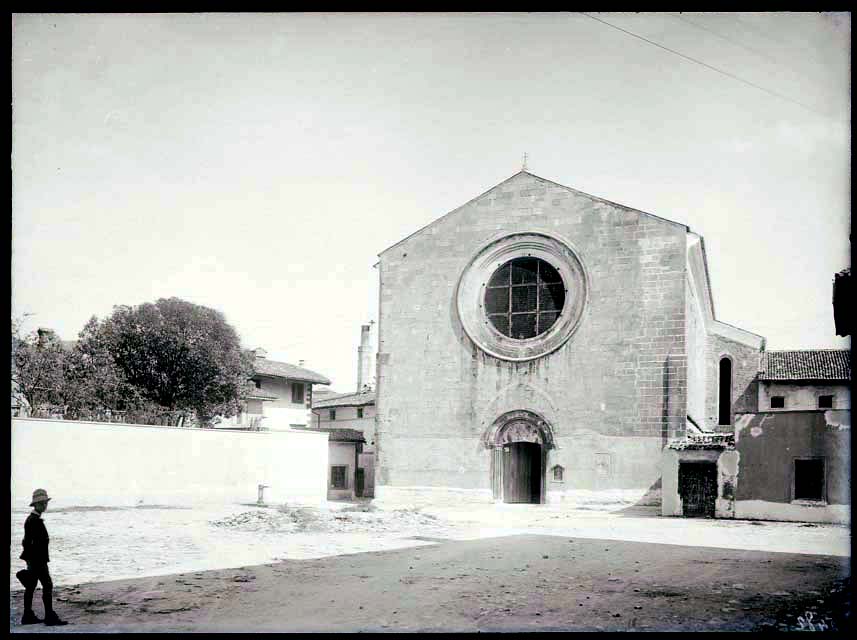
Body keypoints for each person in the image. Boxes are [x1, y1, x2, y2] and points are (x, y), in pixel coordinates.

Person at [19, 488, 68, 626]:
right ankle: (49, 617)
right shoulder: (34, 520)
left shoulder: (33, 519)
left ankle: (28, 616)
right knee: (47, 585)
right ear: (35, 505)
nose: (44, 505)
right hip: (37, 561)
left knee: (31, 586)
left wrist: (29, 559)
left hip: (34, 560)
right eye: (41, 503)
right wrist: (33, 560)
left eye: (45, 502)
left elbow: (26, 542)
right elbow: (28, 542)